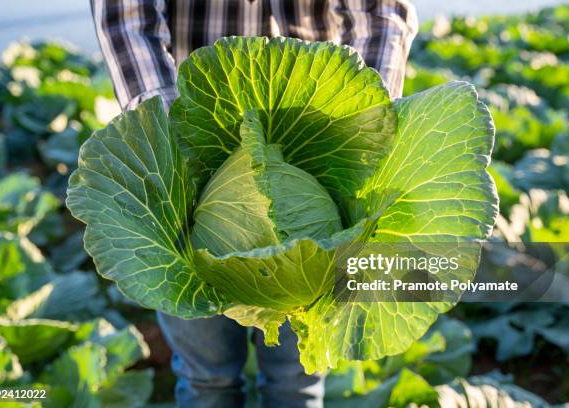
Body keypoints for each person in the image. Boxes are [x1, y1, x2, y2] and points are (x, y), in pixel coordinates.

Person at [90, 1, 418, 407]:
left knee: (296, 382)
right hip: (185, 139)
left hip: (313, 122)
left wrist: (364, 114)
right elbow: (126, 15)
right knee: (207, 380)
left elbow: (380, 13)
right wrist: (169, 131)